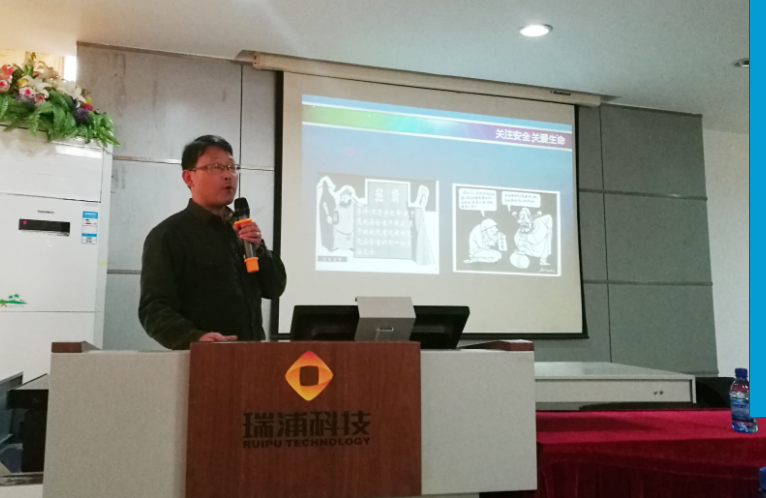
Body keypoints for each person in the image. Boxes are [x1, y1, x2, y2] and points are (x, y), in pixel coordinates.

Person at [138, 135, 286, 349]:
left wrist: (259, 249)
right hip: (203, 358)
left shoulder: (240, 229)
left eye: (232, 167)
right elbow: (153, 309)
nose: (228, 175)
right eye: (216, 167)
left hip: (252, 355)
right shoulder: (169, 235)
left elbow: (274, 288)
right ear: (188, 177)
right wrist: (194, 338)